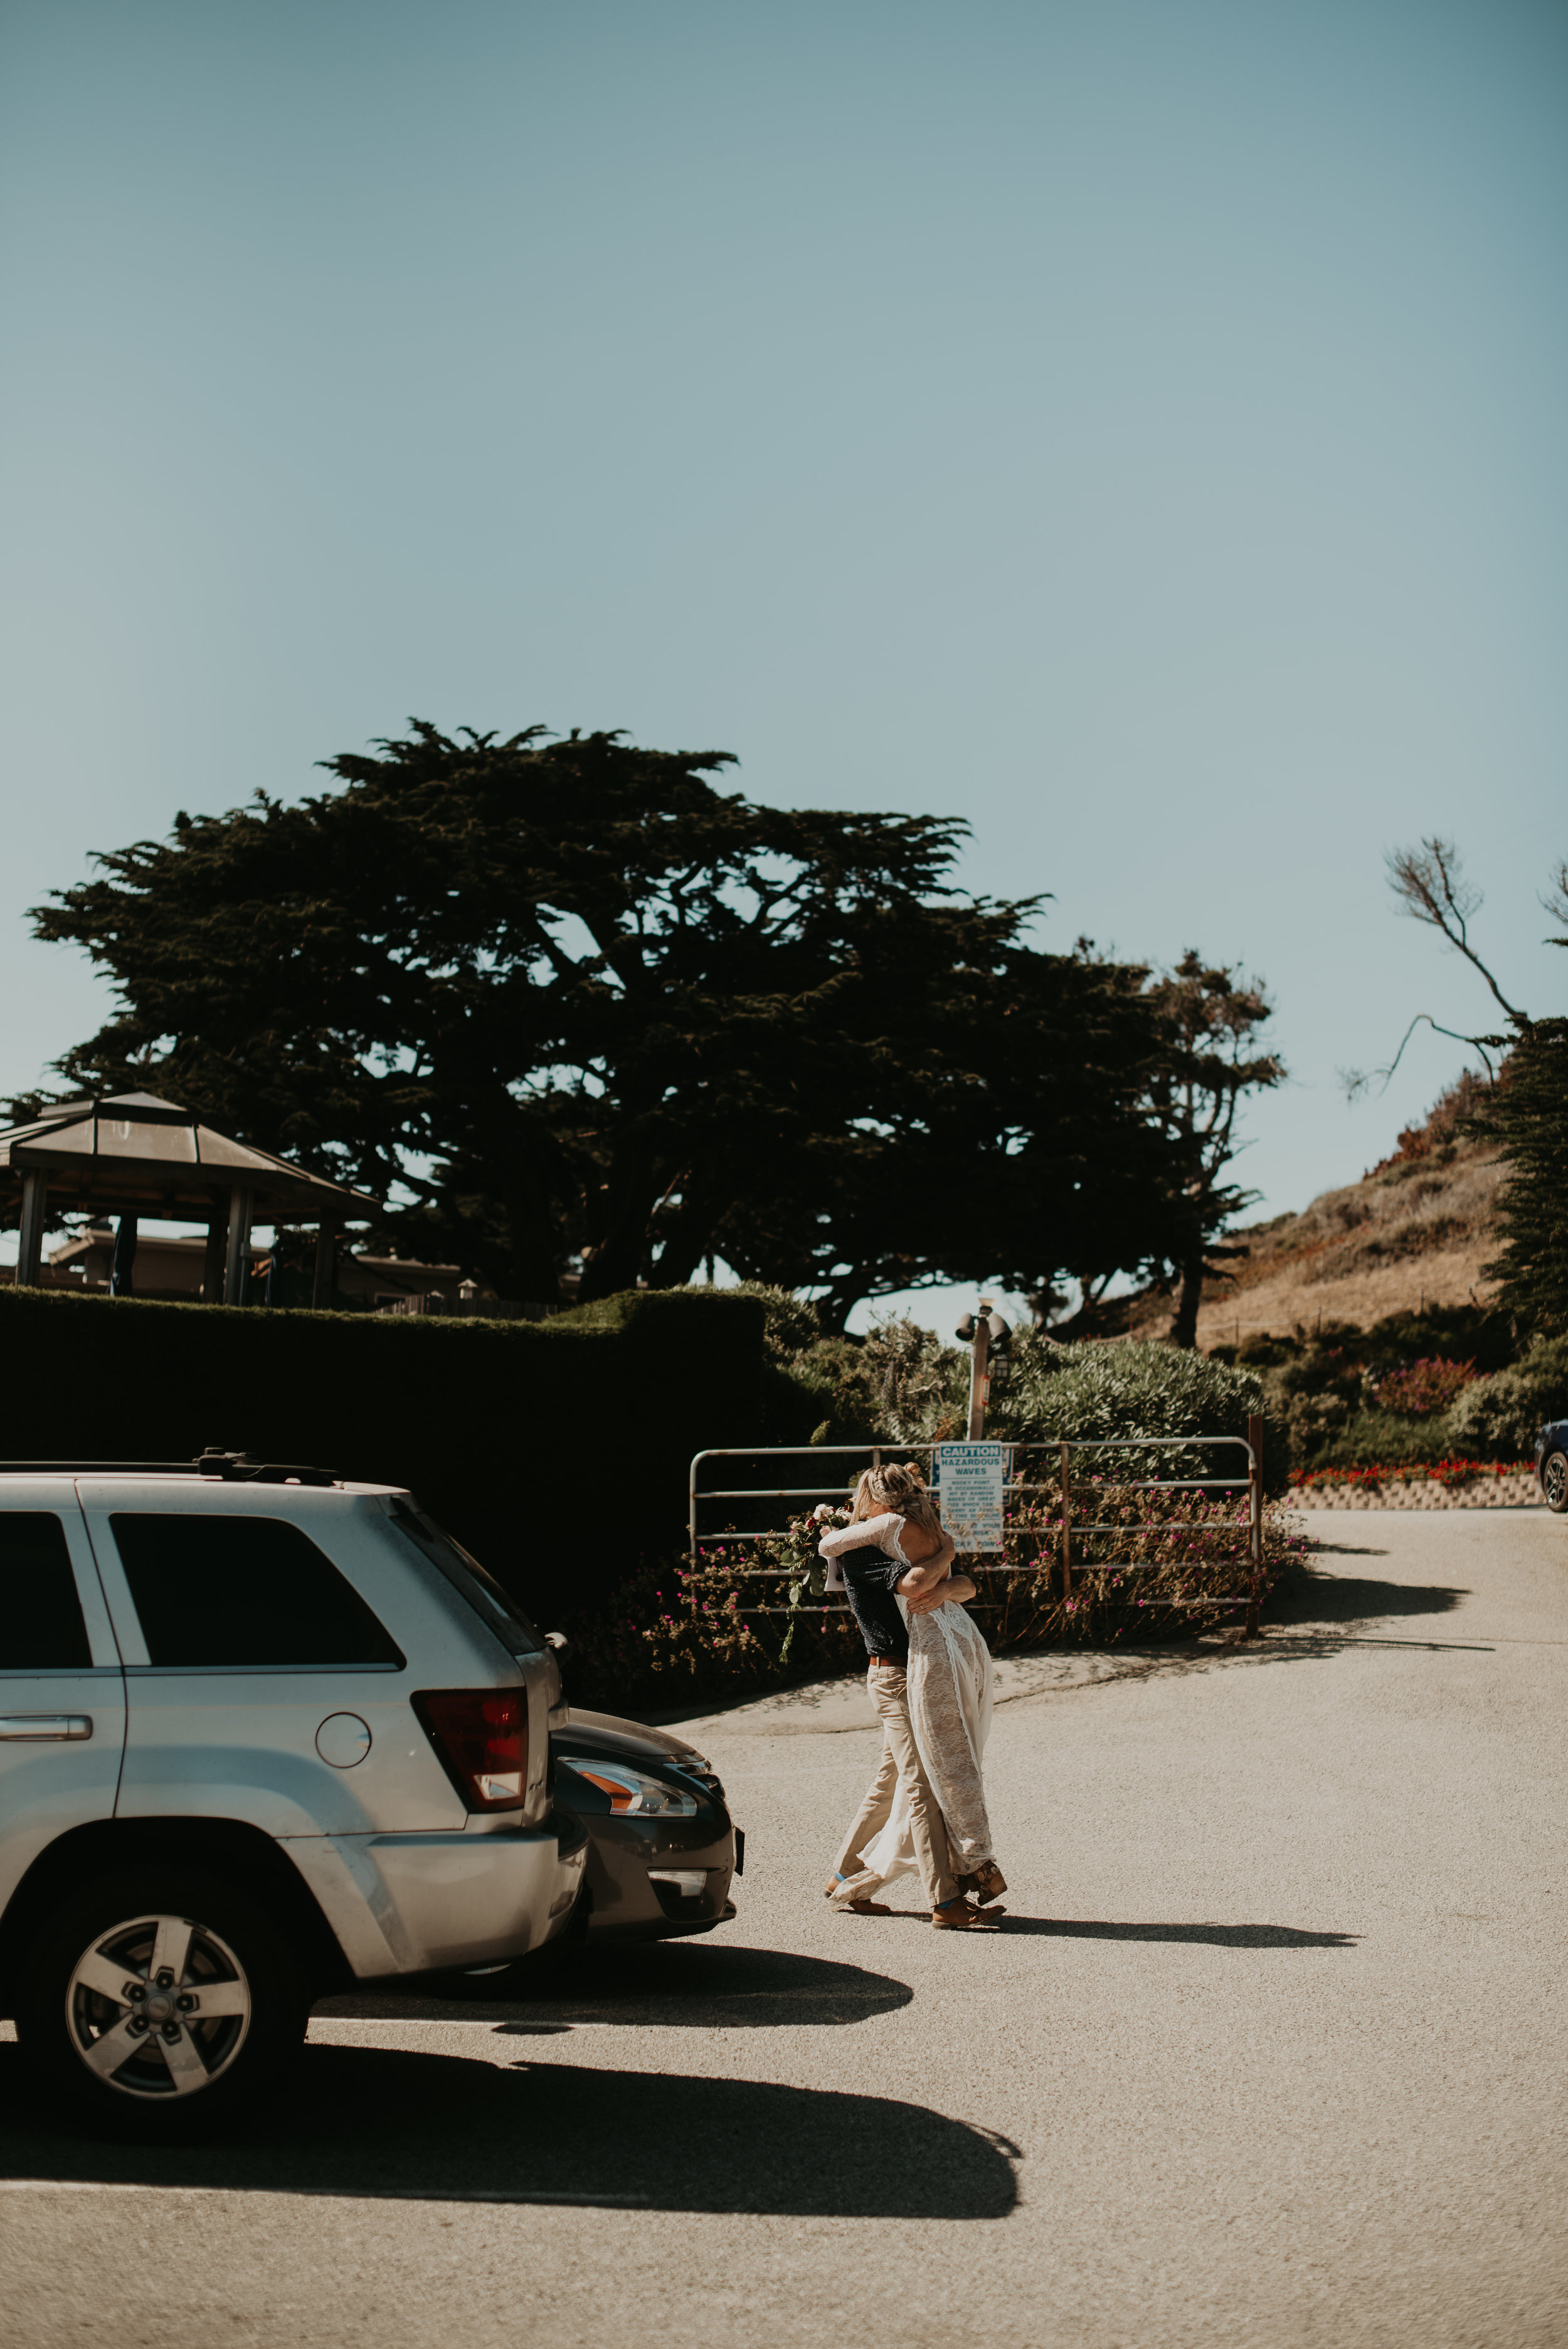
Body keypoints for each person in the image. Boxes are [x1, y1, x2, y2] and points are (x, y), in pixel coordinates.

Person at [816, 1460, 1007, 1930]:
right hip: (896, 1679)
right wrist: (947, 1549)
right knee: (921, 1785)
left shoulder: (900, 1538)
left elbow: (964, 1585)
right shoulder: (863, 1547)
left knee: (889, 1782)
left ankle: (844, 1872)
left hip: (917, 1673)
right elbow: (920, 1583)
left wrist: (949, 1575)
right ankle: (944, 1902)